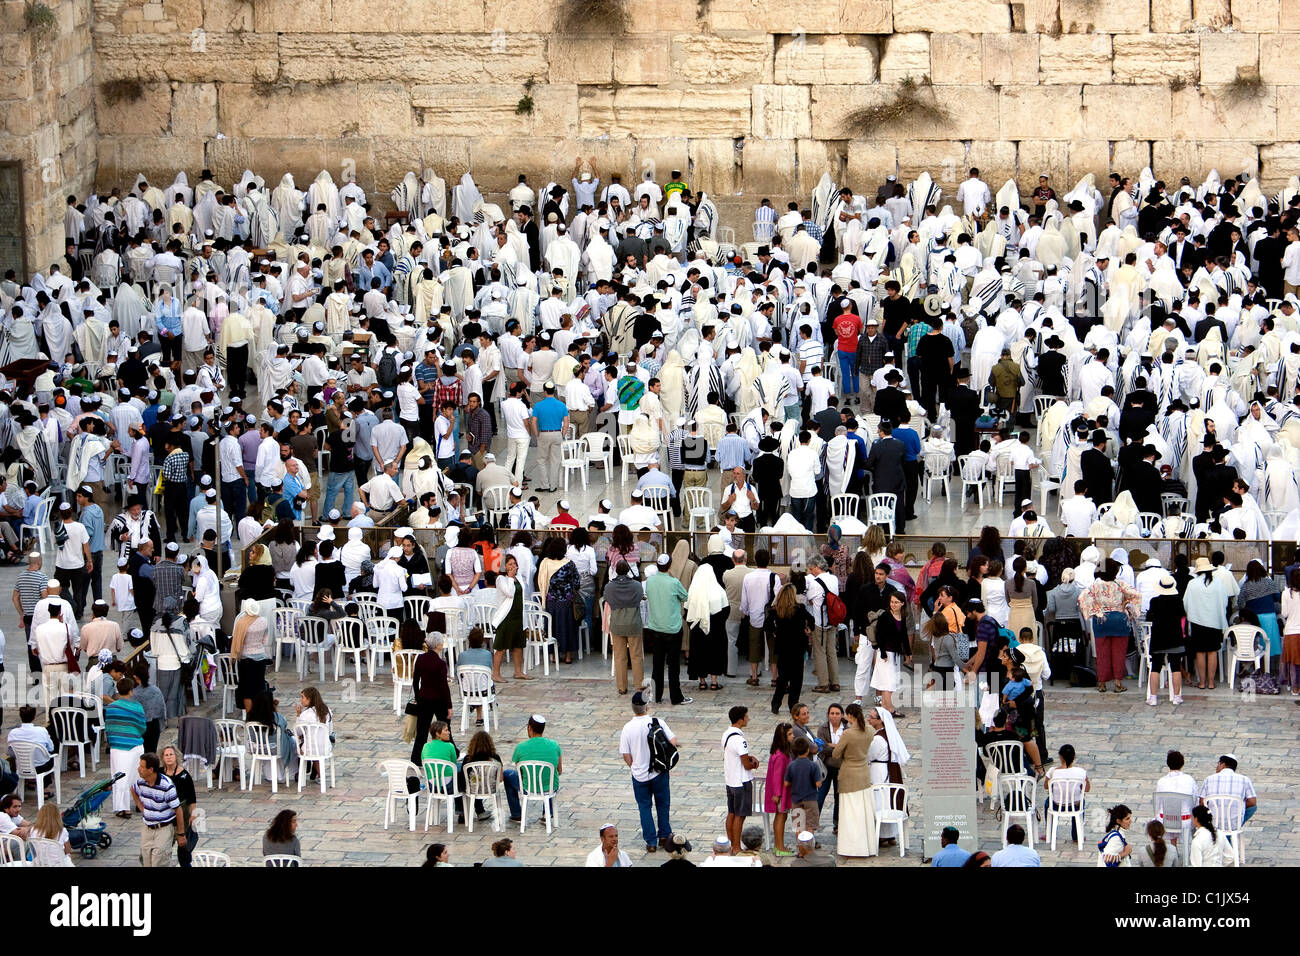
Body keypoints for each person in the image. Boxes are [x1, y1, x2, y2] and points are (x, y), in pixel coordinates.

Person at [619, 689, 677, 852]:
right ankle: (664, 835)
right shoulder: (657, 722)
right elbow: (673, 741)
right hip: (659, 772)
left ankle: (650, 841)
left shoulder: (627, 728)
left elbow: (625, 753)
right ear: (646, 707)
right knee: (663, 804)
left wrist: (633, 766)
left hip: (639, 775)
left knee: (644, 807)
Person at [831, 702, 877, 858]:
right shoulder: (870, 730)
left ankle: (851, 848)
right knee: (863, 812)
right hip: (864, 773)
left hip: (849, 774)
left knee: (850, 813)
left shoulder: (848, 734)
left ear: (850, 716)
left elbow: (836, 754)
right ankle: (867, 847)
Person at [646, 554, 691, 705]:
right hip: (672, 628)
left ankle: (656, 696)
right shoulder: (674, 582)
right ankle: (676, 697)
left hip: (656, 627)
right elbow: (685, 596)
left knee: (657, 665)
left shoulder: (650, 582)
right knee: (673, 666)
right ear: (670, 566)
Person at [133, 750, 185, 866]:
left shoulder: (166, 785)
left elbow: (178, 809)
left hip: (163, 829)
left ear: (150, 770)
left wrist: (181, 834)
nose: (138, 769)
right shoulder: (141, 782)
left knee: (159, 862)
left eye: (141, 767)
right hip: (147, 829)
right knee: (146, 862)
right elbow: (133, 790)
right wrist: (142, 808)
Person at [104, 677, 145, 818]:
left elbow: (108, 728)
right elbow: (142, 727)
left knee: (119, 777)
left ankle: (122, 807)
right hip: (135, 744)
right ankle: (139, 803)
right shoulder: (137, 707)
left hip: (117, 746)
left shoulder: (111, 708)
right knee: (137, 776)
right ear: (131, 691)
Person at [769, 582, 812, 714]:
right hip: (798, 646)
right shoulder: (800, 609)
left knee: (783, 677)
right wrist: (808, 629)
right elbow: (811, 620)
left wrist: (775, 632)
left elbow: (767, 624)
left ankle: (776, 703)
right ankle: (793, 704)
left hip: (783, 647)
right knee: (797, 678)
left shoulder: (777, 610)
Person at [510, 714, 562, 823]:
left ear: (529, 727)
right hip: (550, 788)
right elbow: (559, 771)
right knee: (551, 777)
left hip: (528, 787)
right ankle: (548, 813)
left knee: (507, 774)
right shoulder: (555, 745)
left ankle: (516, 813)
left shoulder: (520, 747)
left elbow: (520, 772)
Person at [722, 705, 759, 853]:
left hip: (730, 780)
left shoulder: (726, 734)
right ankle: (737, 847)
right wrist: (754, 763)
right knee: (740, 815)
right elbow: (746, 764)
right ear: (740, 719)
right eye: (746, 716)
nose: (748, 718)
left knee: (731, 812)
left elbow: (734, 755)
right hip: (741, 781)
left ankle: (732, 844)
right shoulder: (739, 739)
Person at [686, 563, 728, 692]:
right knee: (715, 653)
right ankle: (714, 682)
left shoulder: (693, 591)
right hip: (716, 631)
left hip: (697, 630)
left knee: (699, 654)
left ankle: (702, 682)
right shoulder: (719, 590)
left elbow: (686, 611)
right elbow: (726, 610)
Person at [872, 590, 912, 716]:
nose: (893, 604)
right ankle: (890, 709)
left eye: (896, 602)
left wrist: (908, 652)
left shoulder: (902, 617)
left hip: (895, 653)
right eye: (892, 602)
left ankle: (884, 707)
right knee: (887, 682)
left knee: (890, 681)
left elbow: (904, 636)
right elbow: (879, 635)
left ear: (902, 604)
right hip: (886, 654)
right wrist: (883, 652)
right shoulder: (885, 616)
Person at [231, 598, 270, 714]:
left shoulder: (242, 623)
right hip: (260, 657)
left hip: (246, 659)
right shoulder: (263, 621)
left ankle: (250, 717)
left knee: (246, 690)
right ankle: (258, 714)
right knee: (259, 687)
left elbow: (237, 640)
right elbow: (265, 639)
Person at [159, 744, 197, 866]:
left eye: (171, 754)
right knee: (163, 847)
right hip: (165, 814)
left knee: (183, 849)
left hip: (182, 812)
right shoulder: (159, 774)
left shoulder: (184, 775)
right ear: (162, 758)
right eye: (166, 755)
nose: (169, 757)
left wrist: (193, 814)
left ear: (176, 757)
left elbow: (191, 797)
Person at [765, 721, 795, 856]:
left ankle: (780, 846)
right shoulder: (781, 756)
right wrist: (777, 793)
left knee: (781, 817)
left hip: (782, 791)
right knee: (781, 817)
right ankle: (779, 846)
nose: (793, 736)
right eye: (790, 734)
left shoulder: (780, 753)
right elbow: (777, 776)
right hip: (781, 792)